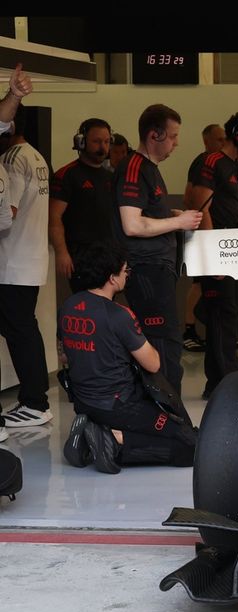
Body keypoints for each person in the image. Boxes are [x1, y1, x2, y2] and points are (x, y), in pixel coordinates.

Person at [58, 242, 197, 474]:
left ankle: (95, 436)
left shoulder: (67, 306)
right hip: (120, 405)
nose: (127, 275)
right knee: (190, 445)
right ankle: (113, 440)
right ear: (112, 278)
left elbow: (64, 356)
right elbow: (153, 363)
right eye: (125, 271)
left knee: (174, 432)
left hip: (83, 401)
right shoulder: (119, 315)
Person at [113, 104, 203, 395]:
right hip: (146, 270)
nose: (176, 143)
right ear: (155, 135)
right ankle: (166, 415)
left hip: (158, 270)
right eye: (173, 136)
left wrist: (172, 215)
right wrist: (178, 222)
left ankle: (165, 411)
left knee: (166, 343)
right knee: (162, 344)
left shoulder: (150, 170)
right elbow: (132, 224)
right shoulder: (134, 167)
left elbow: (145, 214)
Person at [186, 113, 238, 398]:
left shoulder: (237, 168)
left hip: (235, 253)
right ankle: (228, 379)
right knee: (222, 313)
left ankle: (217, 382)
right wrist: (212, 256)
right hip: (217, 253)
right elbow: (200, 207)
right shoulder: (212, 162)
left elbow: (232, 209)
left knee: (230, 315)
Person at [0, 64, 52, 438]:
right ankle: (35, 400)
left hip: (14, 262)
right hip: (28, 260)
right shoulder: (35, 155)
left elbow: (9, 213)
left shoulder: (13, 159)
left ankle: (35, 402)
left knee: (20, 331)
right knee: (21, 329)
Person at [49, 118, 116, 293]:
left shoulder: (110, 177)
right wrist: (62, 252)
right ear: (81, 142)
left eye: (106, 142)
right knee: (87, 303)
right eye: (96, 141)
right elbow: (54, 217)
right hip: (81, 255)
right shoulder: (66, 175)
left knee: (106, 303)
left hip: (108, 253)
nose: (102, 147)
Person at [181, 123, 228, 353]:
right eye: (219, 139)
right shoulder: (202, 163)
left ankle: (218, 331)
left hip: (215, 231)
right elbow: (190, 198)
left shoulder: (222, 164)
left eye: (224, 139)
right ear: (206, 141)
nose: (223, 143)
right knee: (199, 283)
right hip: (201, 231)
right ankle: (188, 330)